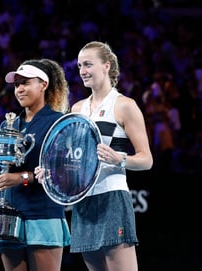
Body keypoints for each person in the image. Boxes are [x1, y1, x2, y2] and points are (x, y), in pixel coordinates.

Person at [36, 41, 153, 271]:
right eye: (80, 65)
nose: (82, 71)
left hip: (112, 198)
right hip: (83, 201)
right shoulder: (77, 109)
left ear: (106, 66)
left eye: (88, 64)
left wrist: (119, 159)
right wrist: (50, 173)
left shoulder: (124, 106)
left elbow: (147, 160)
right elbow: (72, 159)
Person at [0, 58, 71, 271]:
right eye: (17, 85)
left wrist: (22, 178)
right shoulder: (9, 124)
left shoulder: (58, 122)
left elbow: (62, 175)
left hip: (43, 215)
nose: (20, 89)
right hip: (9, 217)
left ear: (43, 85)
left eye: (26, 83)